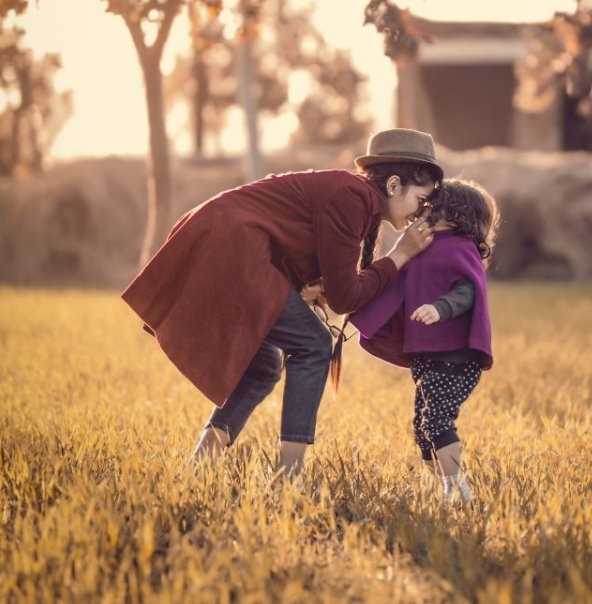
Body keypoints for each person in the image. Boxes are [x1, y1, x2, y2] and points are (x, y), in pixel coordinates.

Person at [121, 128, 442, 477]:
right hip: (230, 245)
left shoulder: (358, 201)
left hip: (225, 239)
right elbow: (345, 296)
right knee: (315, 345)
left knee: (263, 368)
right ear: (394, 185)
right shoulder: (352, 196)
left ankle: (202, 462)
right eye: (421, 201)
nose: (419, 214)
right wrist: (401, 254)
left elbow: (333, 281)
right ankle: (289, 476)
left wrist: (310, 286)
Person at [349, 178, 496, 503]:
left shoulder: (459, 247)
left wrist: (439, 308)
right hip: (428, 356)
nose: (422, 210)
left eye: (433, 206)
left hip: (455, 357)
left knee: (438, 420)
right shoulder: (423, 244)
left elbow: (467, 291)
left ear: (455, 215)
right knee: (423, 427)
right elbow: (396, 283)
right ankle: (440, 485)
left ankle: (457, 489)